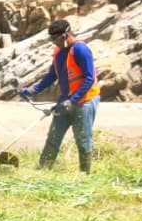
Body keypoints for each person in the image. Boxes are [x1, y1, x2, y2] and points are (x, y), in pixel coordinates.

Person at [19, 19, 101, 173]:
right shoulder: (59, 52)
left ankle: (85, 175)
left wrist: (73, 100)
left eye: (56, 39)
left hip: (85, 101)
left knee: (83, 140)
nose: (54, 43)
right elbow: (52, 75)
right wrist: (33, 90)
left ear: (66, 35)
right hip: (65, 101)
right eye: (52, 40)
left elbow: (89, 78)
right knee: (54, 136)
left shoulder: (81, 50)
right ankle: (43, 170)